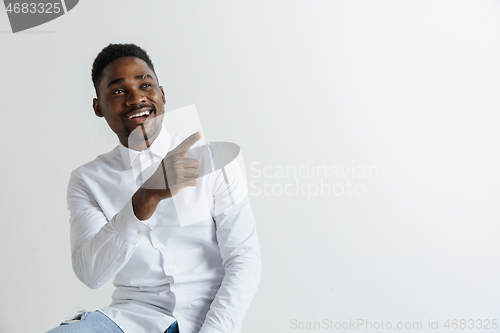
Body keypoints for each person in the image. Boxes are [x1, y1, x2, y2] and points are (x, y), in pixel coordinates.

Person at [47, 43, 261, 333]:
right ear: (98, 107)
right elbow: (91, 273)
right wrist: (146, 196)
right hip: (130, 319)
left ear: (162, 94)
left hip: (208, 318)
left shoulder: (213, 160)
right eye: (119, 91)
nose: (137, 99)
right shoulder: (88, 180)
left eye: (146, 85)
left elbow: (244, 260)